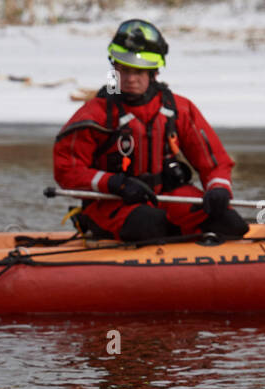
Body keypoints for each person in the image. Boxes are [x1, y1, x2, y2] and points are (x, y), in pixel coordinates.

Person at [54, 18, 250, 243]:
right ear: (114, 68)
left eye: (138, 72)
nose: (129, 79)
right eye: (124, 70)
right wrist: (114, 183)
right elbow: (66, 170)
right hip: (112, 200)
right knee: (150, 224)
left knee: (229, 224)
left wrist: (219, 189)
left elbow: (214, 162)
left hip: (168, 196)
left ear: (153, 72)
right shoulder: (94, 115)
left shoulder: (178, 109)